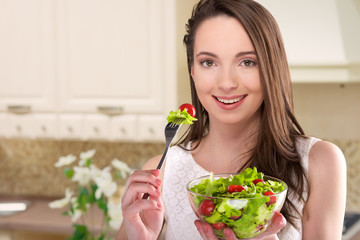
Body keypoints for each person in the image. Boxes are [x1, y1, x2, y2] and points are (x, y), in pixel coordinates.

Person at [118, 0, 347, 239]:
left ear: (272, 68)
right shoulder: (161, 172)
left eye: (247, 62)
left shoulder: (319, 163)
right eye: (209, 62)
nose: (226, 83)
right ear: (193, 71)